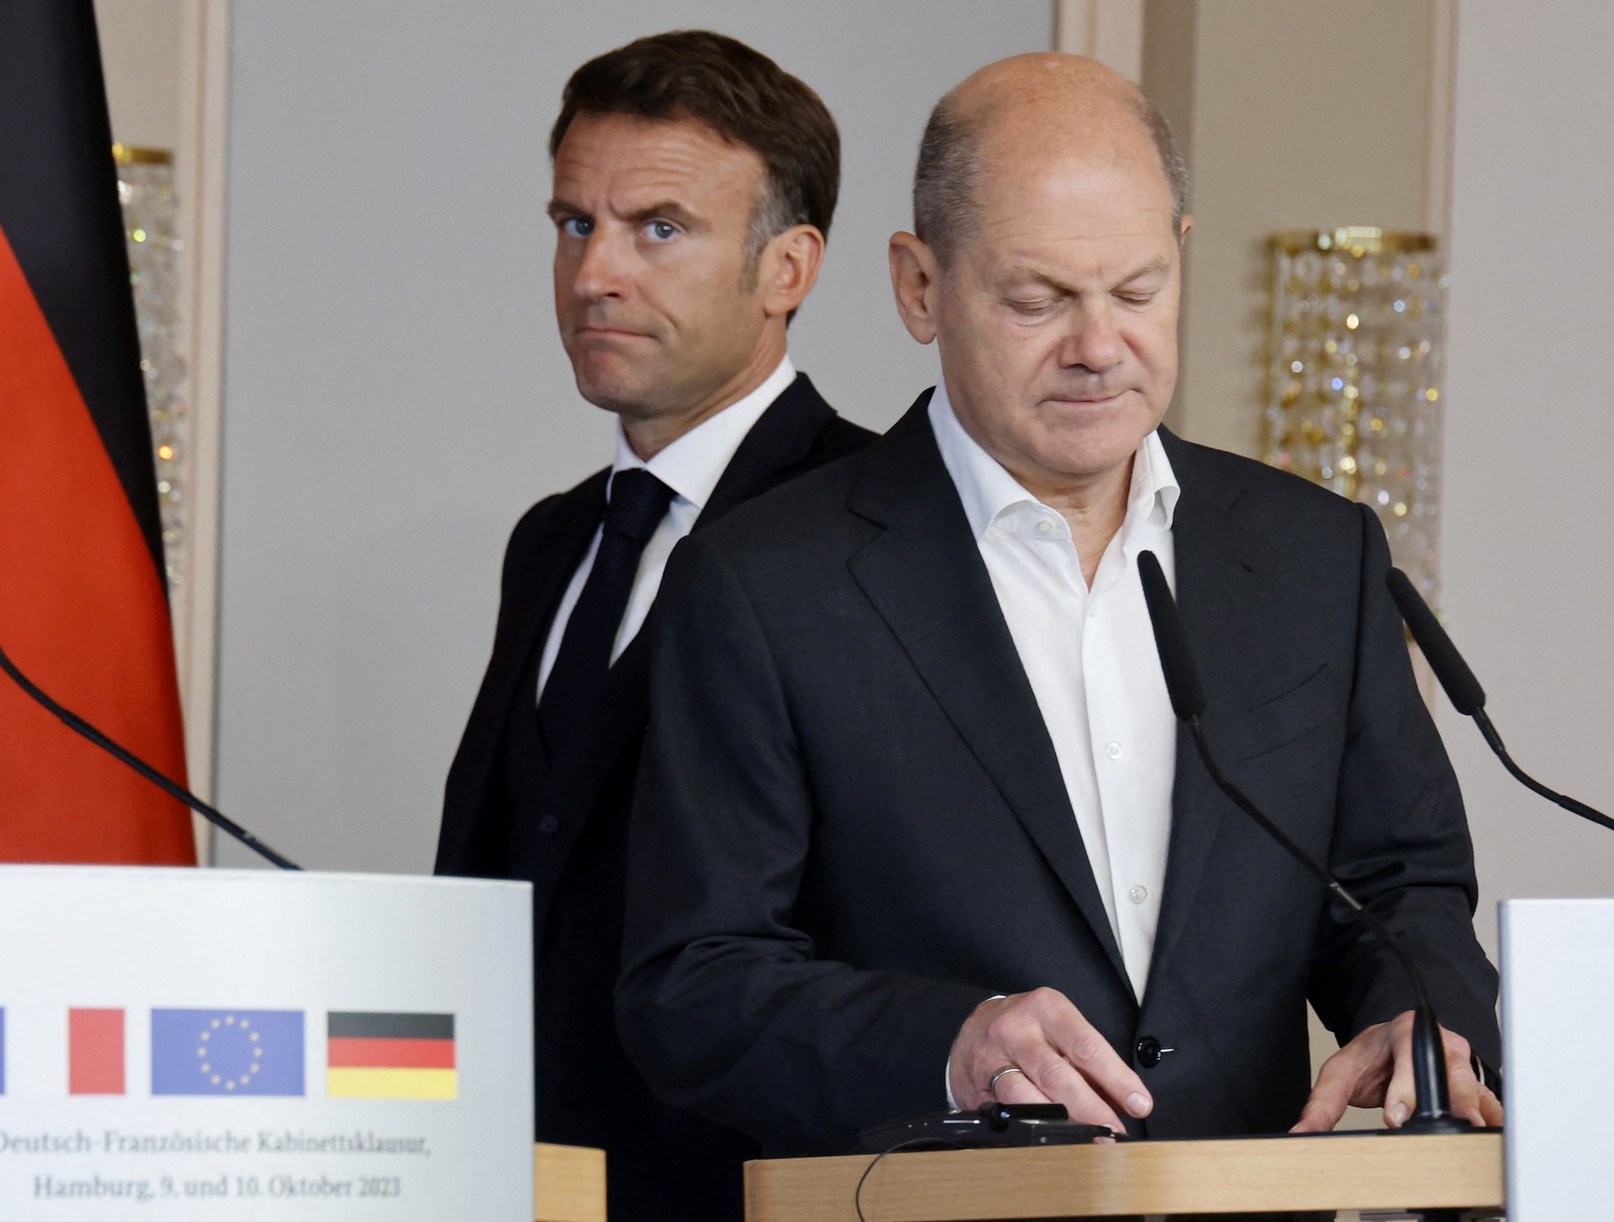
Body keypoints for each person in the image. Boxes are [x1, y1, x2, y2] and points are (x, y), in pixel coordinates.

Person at [616, 52, 1501, 1156]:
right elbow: (692, 987)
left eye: (1138, 291)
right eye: (1038, 299)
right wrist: (951, 1043)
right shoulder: (763, 583)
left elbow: (1397, 880)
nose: (1099, 348)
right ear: (919, 286)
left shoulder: (1315, 555)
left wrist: (1417, 1012)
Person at [433, 30, 874, 1220]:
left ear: (789, 267)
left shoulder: (885, 532)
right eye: (576, 223)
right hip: (514, 1180)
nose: (594, 275)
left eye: (658, 229)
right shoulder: (556, 538)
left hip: (756, 1191)